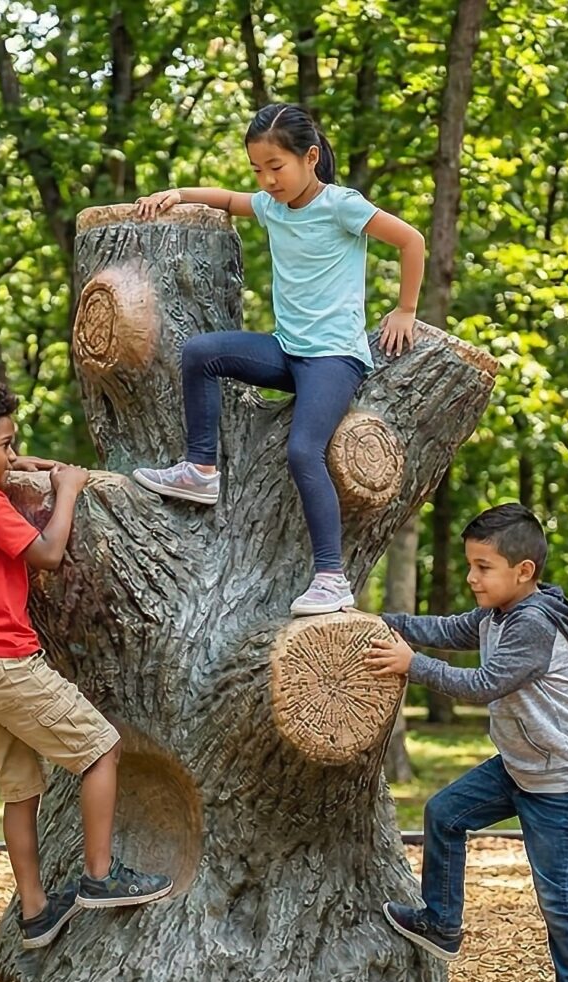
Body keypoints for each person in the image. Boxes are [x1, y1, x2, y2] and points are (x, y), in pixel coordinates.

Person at [129, 102, 427, 617]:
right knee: (201, 353)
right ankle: (201, 469)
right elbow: (226, 199)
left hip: (333, 359)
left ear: (310, 157)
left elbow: (411, 240)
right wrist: (177, 194)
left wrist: (405, 309)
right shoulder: (271, 207)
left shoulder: (341, 205)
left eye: (277, 167)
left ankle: (331, 578)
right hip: (288, 352)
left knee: (302, 450)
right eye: (258, 170)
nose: (267, 180)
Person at [0, 377, 171, 949]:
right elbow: (48, 555)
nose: (13, 453)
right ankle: (100, 878)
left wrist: (12, 461)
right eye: (6, 444)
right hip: (5, 662)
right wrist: (69, 490)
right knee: (101, 749)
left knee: (20, 791)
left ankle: (35, 911)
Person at [362, 503, 568, 982]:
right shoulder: (496, 614)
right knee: (445, 814)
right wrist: (382, 624)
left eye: (483, 567)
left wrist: (413, 666)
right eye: (471, 565)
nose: (472, 577)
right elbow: (448, 628)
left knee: (557, 894)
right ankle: (442, 924)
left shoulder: (533, 624)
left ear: (524, 571)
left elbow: (484, 684)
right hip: (522, 766)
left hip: (561, 781)